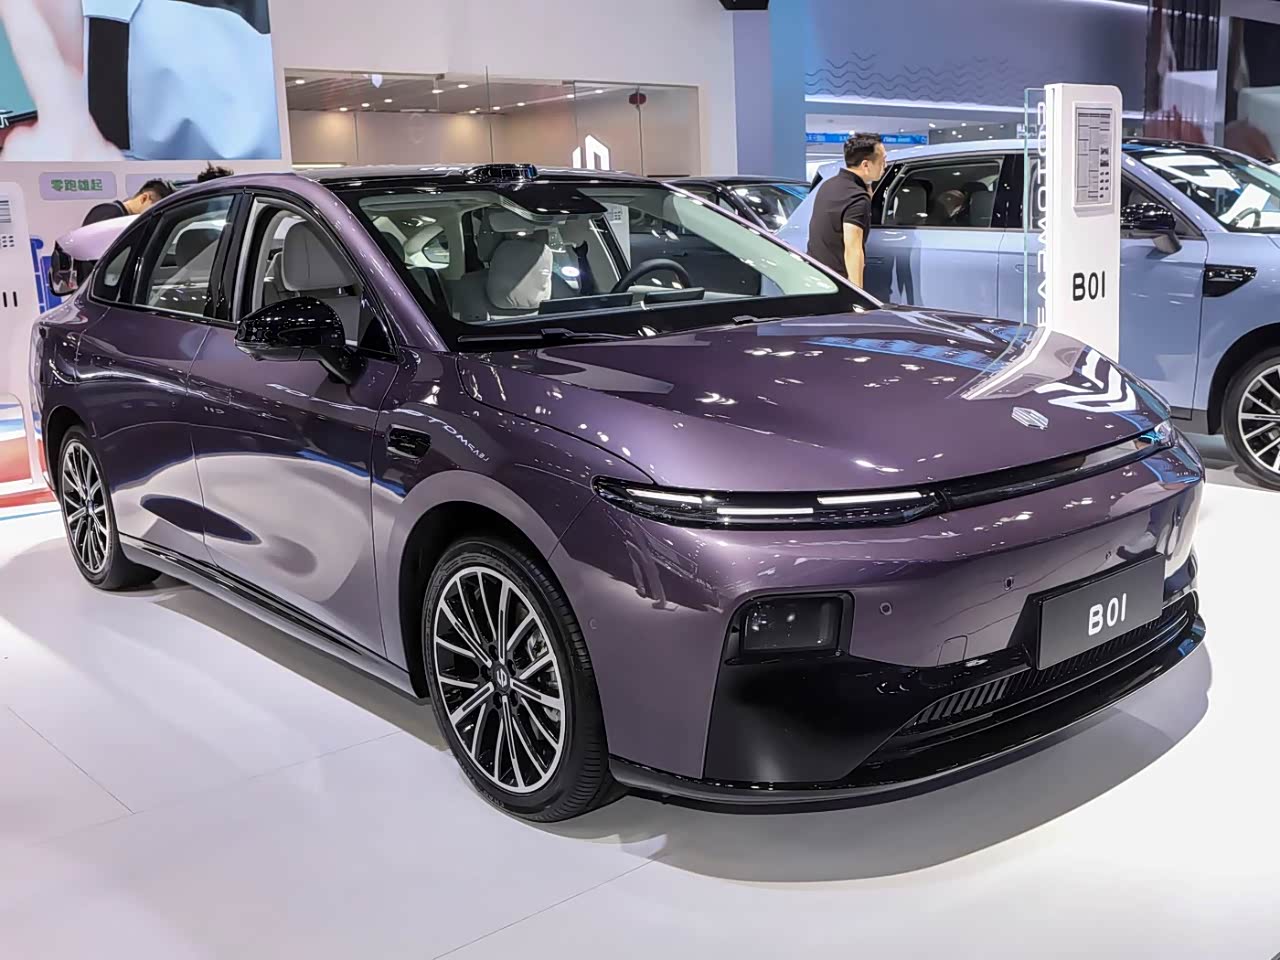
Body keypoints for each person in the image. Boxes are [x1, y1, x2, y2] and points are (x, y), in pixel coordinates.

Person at [807, 132, 887, 287]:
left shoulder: (828, 185)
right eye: (882, 161)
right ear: (866, 165)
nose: (885, 166)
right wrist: (857, 293)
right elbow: (853, 249)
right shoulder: (856, 197)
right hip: (838, 282)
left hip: (816, 276)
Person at [81, 178, 174, 226]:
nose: (155, 213)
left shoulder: (110, 211)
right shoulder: (112, 214)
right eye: (155, 207)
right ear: (144, 198)